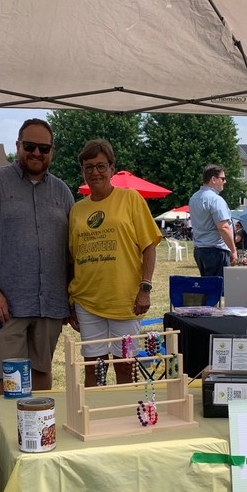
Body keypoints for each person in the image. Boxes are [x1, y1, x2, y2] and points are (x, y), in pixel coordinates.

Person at [0, 118, 74, 404]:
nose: (36, 153)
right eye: (30, 146)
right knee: (2, 379)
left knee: (41, 374)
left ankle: (36, 436)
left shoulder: (62, 191)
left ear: (52, 151)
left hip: (49, 304)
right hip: (6, 305)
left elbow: (71, 250)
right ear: (17, 146)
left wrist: (71, 298)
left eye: (44, 148)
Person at [67, 139, 163, 386]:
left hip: (125, 300)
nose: (95, 172)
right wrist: (70, 302)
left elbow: (149, 246)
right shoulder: (77, 210)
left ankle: (125, 419)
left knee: (125, 367)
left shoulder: (130, 199)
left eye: (101, 166)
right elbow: (72, 258)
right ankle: (94, 419)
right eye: (89, 167)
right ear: (83, 171)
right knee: (93, 369)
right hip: (87, 301)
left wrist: (145, 288)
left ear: (111, 168)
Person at [188, 164, 238, 276]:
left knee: (208, 289)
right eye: (223, 178)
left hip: (200, 250)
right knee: (218, 289)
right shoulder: (215, 200)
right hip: (216, 251)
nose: (225, 182)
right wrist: (233, 250)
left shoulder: (194, 198)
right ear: (213, 179)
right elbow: (223, 227)